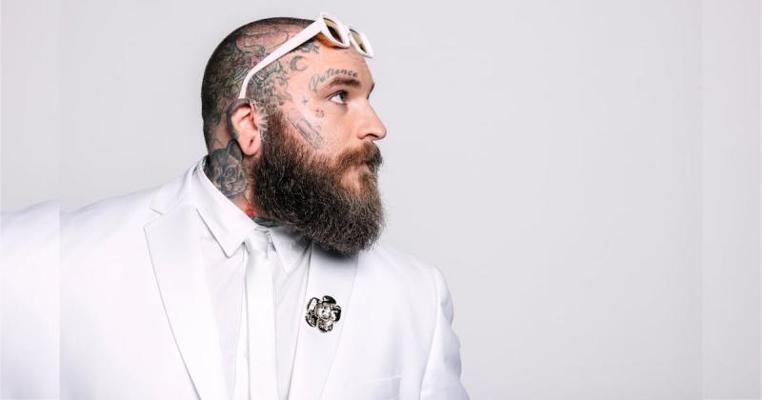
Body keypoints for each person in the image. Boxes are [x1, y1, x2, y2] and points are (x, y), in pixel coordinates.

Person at [61, 13, 468, 400]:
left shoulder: (414, 296)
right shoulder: (73, 261)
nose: (376, 127)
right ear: (250, 124)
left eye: (367, 99)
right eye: (340, 96)